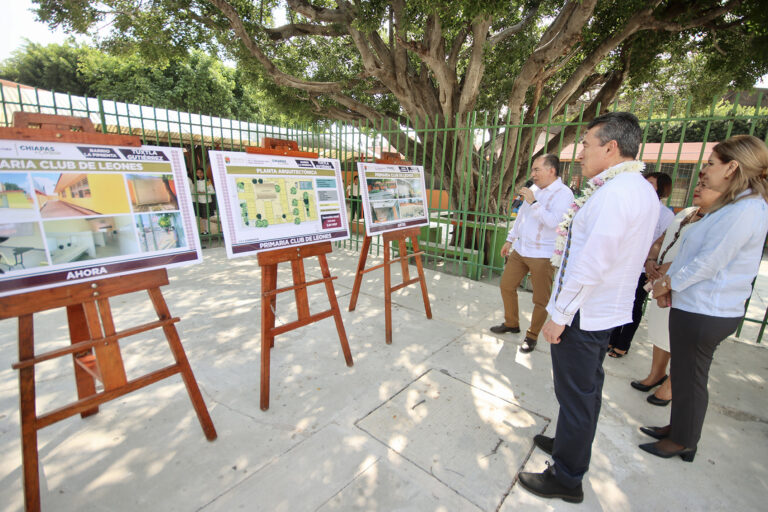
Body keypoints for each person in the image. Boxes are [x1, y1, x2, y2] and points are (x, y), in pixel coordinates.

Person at [517, 112, 659, 504]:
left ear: (610, 148)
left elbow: (592, 262)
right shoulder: (634, 188)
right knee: (584, 391)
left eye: (585, 144)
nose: (579, 153)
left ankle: (567, 477)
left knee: (577, 395)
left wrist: (558, 316)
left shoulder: (618, 192)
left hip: (584, 312)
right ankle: (567, 444)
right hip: (597, 310)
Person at [639, 134, 768, 462]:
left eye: (711, 164)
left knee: (691, 377)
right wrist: (672, 286)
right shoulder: (734, 204)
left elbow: (711, 261)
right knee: (683, 374)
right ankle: (679, 429)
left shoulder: (748, 209)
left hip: (708, 310)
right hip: (694, 304)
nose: (705, 170)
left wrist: (668, 284)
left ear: (732, 167)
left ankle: (683, 442)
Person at [630, 182, 719, 406]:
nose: (697, 187)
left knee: (678, 339)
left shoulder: (718, 219)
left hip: (684, 284)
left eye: (704, 186)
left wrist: (669, 268)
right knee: (660, 331)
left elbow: (705, 258)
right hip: (661, 279)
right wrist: (651, 260)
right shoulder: (687, 212)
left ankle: (670, 386)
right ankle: (656, 374)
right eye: (697, 184)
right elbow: (662, 239)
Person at [490, 154, 573, 352]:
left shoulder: (564, 193)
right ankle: (511, 323)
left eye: (537, 170)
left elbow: (554, 222)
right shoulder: (534, 190)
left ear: (551, 170)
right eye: (533, 170)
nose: (533, 174)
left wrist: (535, 203)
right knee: (506, 286)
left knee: (540, 299)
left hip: (543, 254)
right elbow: (521, 217)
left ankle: (532, 335)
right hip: (521, 249)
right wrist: (510, 239)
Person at [608, 172, 675, 357]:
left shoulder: (666, 215)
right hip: (624, 264)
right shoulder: (635, 208)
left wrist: (652, 264)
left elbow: (663, 243)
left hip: (644, 268)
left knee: (635, 305)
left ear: (662, 190)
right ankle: (611, 339)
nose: (646, 186)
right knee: (617, 301)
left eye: (651, 183)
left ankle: (623, 344)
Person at [189, 167, 216, 235]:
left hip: (206, 201)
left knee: (206, 217)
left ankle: (207, 230)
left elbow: (212, 191)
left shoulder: (207, 181)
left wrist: (204, 192)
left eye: (201, 173)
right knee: (202, 217)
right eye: (198, 173)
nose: (199, 174)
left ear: (203, 173)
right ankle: (205, 230)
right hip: (199, 201)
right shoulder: (195, 181)